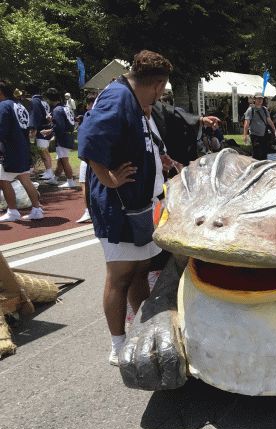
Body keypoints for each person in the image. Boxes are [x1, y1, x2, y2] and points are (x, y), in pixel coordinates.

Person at [78, 49, 173, 365]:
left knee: (139, 271)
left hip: (138, 204)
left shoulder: (133, 101)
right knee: (119, 276)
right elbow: (89, 140)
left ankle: (141, 329)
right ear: (158, 85)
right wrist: (109, 179)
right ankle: (118, 344)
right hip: (118, 207)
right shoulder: (117, 98)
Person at [0, 79, 44, 222]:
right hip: (22, 147)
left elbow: (2, 130)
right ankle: (37, 208)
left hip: (10, 149)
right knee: (25, 179)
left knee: (3, 180)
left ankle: (12, 210)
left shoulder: (3, 106)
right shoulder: (19, 106)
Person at [44, 88, 77, 188]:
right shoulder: (66, 107)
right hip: (69, 135)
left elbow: (59, 127)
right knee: (61, 159)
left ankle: (70, 181)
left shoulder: (57, 110)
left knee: (64, 160)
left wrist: (49, 128)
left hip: (63, 138)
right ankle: (55, 179)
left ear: (50, 99)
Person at [76, 92, 98, 223]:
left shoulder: (90, 116)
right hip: (97, 155)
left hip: (88, 155)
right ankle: (91, 210)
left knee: (85, 183)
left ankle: (88, 211)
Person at [27, 88, 54, 181]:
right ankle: (48, 171)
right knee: (45, 151)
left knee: (43, 151)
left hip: (42, 130)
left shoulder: (35, 101)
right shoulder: (44, 101)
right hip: (46, 128)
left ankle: (49, 172)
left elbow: (35, 116)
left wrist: (32, 129)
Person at [243, 92, 276, 160]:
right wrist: (245, 135)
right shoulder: (250, 110)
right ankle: (256, 168)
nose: (260, 100)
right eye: (258, 98)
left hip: (264, 135)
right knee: (257, 154)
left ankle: (265, 167)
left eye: (261, 98)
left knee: (265, 153)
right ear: (254, 99)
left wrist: (274, 130)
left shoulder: (264, 109)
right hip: (255, 135)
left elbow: (269, 121)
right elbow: (246, 123)